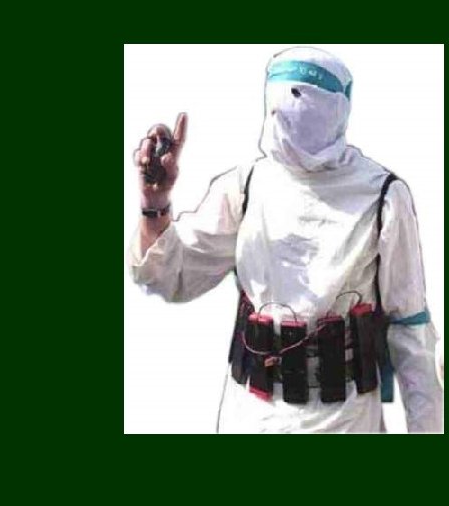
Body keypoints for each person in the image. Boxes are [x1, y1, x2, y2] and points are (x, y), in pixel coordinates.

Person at [128, 47, 443, 433]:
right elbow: (168, 275)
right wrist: (155, 203)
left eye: (303, 96)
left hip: (345, 423)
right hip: (252, 420)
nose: (288, 111)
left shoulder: (383, 197)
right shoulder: (246, 187)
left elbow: (409, 327)